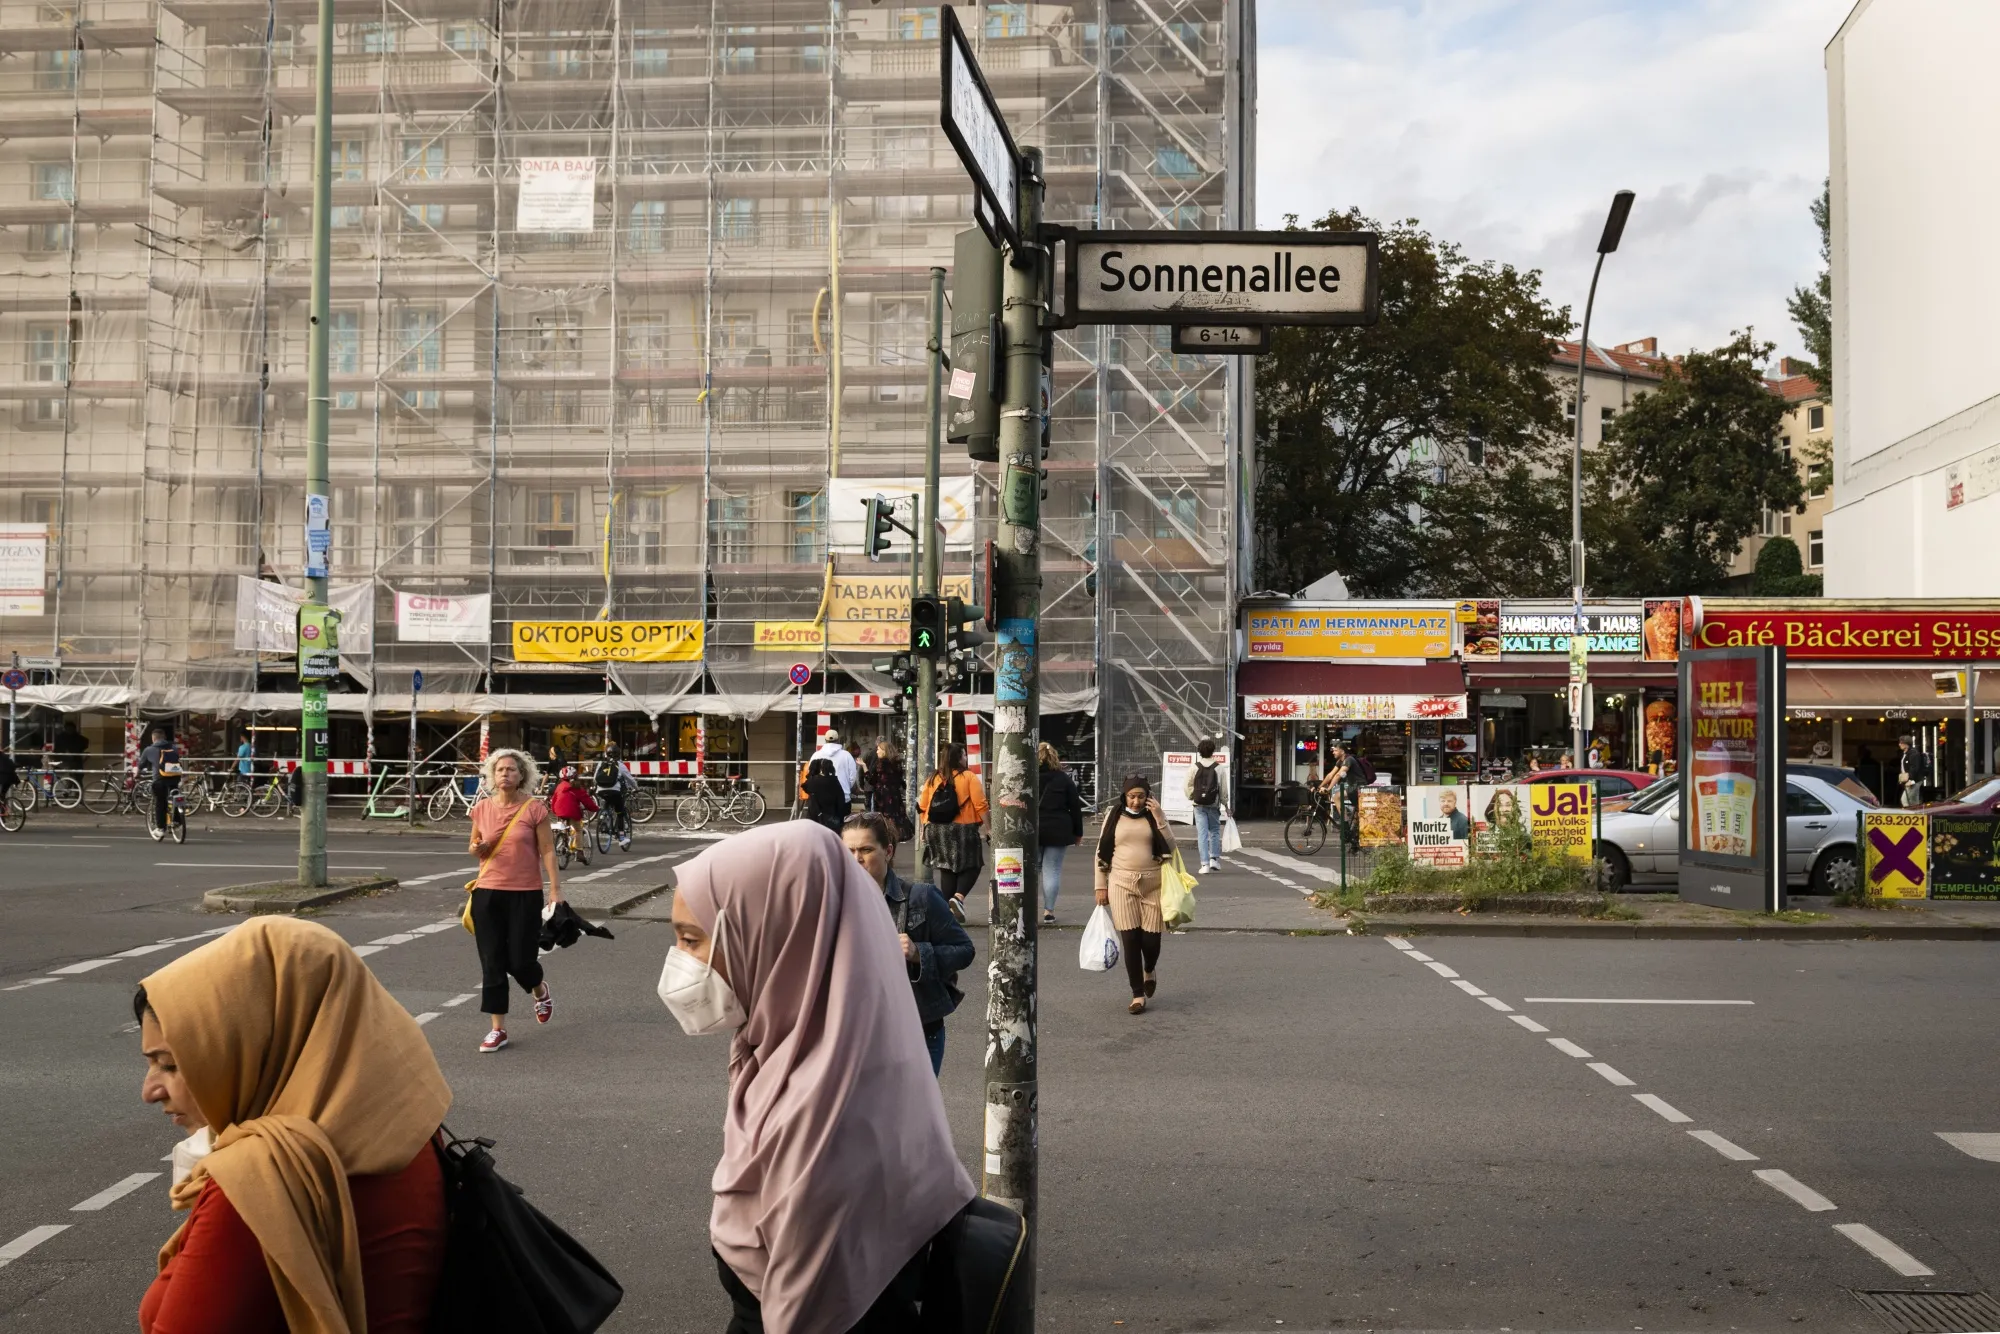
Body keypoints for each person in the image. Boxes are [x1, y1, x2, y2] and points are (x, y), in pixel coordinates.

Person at [662, 822, 977, 1334]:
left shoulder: (824, 1119)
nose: (679, 962)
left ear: (774, 937)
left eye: (691, 939)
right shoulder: (809, 1053)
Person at [134, 917, 451, 1334]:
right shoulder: (409, 1129)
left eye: (171, 1064)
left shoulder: (263, 1184)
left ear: (255, 1045)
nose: (150, 1090)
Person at [841, 812, 975, 1076]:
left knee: (912, 1116)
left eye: (866, 850)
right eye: (849, 851)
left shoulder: (921, 898)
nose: (857, 859)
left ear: (888, 851)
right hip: (856, 1036)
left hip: (916, 1033)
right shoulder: (834, 903)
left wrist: (918, 954)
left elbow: (964, 951)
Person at [467, 748, 562, 1054]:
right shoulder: (481, 808)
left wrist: (555, 890)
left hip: (525, 892)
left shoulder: (535, 809)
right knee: (492, 960)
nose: (505, 773)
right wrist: (478, 849)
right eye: (499, 770)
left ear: (522, 775)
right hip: (488, 891)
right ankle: (498, 1029)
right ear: (492, 776)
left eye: (511, 769)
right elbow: (473, 845)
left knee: (521, 961)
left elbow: (547, 850)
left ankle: (540, 989)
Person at [1094, 773, 1175, 1016]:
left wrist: (1160, 818)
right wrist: (1101, 885)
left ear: (1148, 796)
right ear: (1124, 796)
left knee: (1151, 942)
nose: (1136, 802)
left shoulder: (1155, 815)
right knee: (1130, 941)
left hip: (1153, 884)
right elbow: (1101, 851)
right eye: (1131, 796)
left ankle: (1149, 969)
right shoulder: (1114, 815)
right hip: (1121, 883)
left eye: (1141, 796)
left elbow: (1171, 847)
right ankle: (1137, 994)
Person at [918, 743, 988, 924]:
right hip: (963, 828)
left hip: (935, 829)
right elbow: (980, 804)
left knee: (946, 868)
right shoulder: (968, 777)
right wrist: (989, 828)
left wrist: (923, 828)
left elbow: (922, 806)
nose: (966, 758)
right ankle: (958, 898)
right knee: (972, 864)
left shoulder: (933, 778)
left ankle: (947, 915)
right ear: (958, 758)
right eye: (964, 755)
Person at [1036, 742, 1085, 925]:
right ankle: (1048, 911)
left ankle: (1028, 908)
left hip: (1033, 829)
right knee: (1052, 870)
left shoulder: (1028, 777)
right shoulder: (1063, 779)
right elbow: (1075, 807)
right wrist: (1078, 832)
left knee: (1033, 870)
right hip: (1058, 828)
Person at [1184, 738, 1226, 873]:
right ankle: (1214, 859)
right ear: (1213, 751)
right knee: (1214, 831)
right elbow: (1223, 789)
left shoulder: (1194, 767)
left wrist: (1192, 796)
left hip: (1198, 805)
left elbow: (1187, 785)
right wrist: (1225, 802)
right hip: (1213, 804)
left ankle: (1204, 864)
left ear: (1199, 752)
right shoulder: (1219, 768)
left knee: (1202, 833)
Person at [138, 725, 184, 841]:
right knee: (175, 797)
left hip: (159, 779)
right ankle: (178, 821)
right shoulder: (173, 747)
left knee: (160, 802)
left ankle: (160, 828)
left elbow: (141, 765)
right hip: (174, 778)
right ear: (164, 737)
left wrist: (137, 775)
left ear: (153, 738)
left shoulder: (149, 749)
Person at [593, 743, 636, 850]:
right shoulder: (620, 764)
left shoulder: (601, 763)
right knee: (620, 812)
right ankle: (621, 837)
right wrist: (636, 787)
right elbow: (629, 779)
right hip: (615, 791)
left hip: (601, 791)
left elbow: (595, 778)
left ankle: (603, 819)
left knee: (607, 802)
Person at [869, 738, 909, 838]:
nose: (877, 751)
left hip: (883, 795)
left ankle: (888, 836)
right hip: (894, 794)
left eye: (878, 749)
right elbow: (899, 780)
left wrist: (865, 768)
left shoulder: (881, 764)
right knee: (894, 815)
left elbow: (872, 780)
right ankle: (896, 835)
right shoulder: (896, 763)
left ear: (884, 751)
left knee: (883, 817)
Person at [810, 728, 859, 807]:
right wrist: (846, 786)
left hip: (821, 798)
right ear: (838, 739)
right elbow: (853, 776)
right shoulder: (847, 755)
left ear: (825, 740)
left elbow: (811, 774)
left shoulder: (816, 755)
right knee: (842, 819)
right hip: (843, 797)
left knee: (822, 819)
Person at [549, 763, 599, 836]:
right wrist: (595, 808)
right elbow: (587, 801)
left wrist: (554, 811)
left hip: (558, 811)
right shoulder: (576, 787)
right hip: (572, 813)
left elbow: (554, 800)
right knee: (578, 830)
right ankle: (578, 847)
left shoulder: (559, 787)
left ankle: (563, 839)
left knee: (564, 826)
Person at [803, 757, 849, 834]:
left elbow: (805, 786)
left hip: (815, 817)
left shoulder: (813, 781)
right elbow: (841, 801)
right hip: (831, 818)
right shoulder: (834, 781)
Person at [1898, 735, 1931, 808]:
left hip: (1914, 780)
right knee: (1913, 801)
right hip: (1910, 780)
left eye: (1901, 743)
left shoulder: (1913, 753)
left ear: (1906, 744)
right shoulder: (1905, 753)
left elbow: (1914, 768)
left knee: (1905, 800)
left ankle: (1909, 815)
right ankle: (1916, 814)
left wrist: (1911, 780)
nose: (1899, 744)